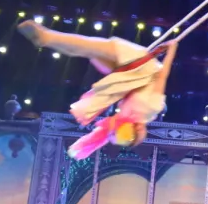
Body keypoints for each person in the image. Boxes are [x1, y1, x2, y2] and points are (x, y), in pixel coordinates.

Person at [16, 20, 177, 159]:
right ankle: (47, 38)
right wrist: (80, 148)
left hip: (137, 67)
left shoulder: (147, 110)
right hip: (128, 72)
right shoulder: (130, 116)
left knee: (89, 47)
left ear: (140, 129)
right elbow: (103, 134)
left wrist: (171, 50)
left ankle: (47, 37)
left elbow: (161, 76)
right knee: (88, 50)